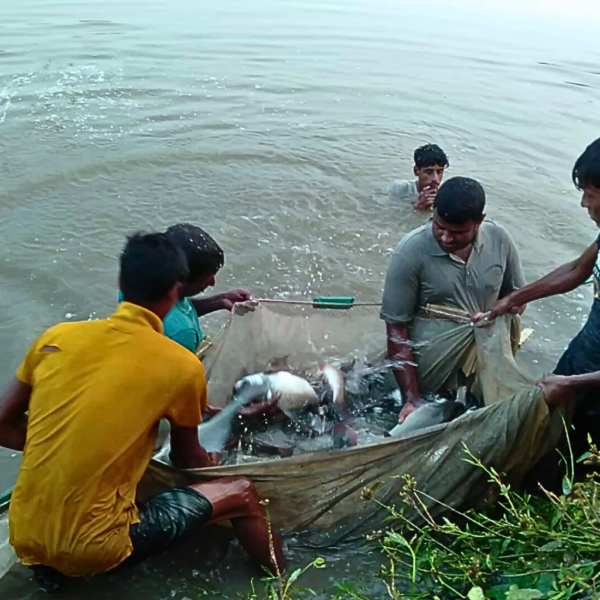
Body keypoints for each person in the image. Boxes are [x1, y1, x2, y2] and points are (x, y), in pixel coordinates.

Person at [0, 232, 285, 592]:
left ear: (120, 283)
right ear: (174, 293)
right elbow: (187, 459)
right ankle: (283, 584)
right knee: (241, 493)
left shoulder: (55, 338)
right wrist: (215, 459)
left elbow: (2, 424)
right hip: (96, 546)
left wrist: (66, 447)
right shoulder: (180, 365)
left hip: (24, 533)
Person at [486, 137, 600, 465]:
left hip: (590, 385)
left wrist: (572, 383)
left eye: (589, 195)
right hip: (582, 360)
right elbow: (579, 268)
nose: (583, 205)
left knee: (578, 459)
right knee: (548, 443)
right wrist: (512, 299)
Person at [381, 176, 525, 422]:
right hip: (431, 363)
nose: (446, 238)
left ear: (479, 221)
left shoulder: (500, 240)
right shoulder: (410, 251)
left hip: (484, 351)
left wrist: (495, 317)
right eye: (440, 227)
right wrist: (411, 398)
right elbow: (396, 328)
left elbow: (518, 298)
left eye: (457, 232)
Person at [118, 223, 254, 355]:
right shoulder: (183, 334)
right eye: (207, 277)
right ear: (180, 282)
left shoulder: (136, 285)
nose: (212, 283)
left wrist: (221, 300)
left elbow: (179, 309)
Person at [389, 144, 449, 211]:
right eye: (429, 172)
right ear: (416, 171)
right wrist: (418, 207)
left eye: (439, 172)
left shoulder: (446, 192)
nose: (435, 179)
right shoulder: (400, 188)